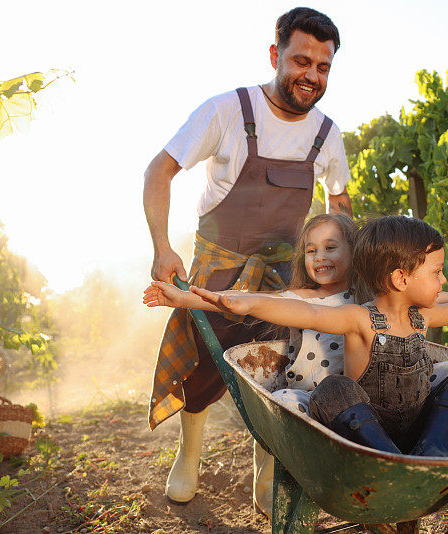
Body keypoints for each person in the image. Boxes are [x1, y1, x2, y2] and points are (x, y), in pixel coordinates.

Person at [142, 7, 352, 504]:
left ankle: (266, 469)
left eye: (323, 67)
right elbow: (158, 171)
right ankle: (188, 456)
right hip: (219, 269)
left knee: (283, 370)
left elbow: (338, 205)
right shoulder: (228, 111)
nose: (312, 76)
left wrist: (336, 270)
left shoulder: (327, 134)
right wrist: (162, 246)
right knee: (204, 368)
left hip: (285, 278)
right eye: (302, 61)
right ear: (276, 55)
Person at [180, 216, 448, 457]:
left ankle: (434, 452)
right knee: (333, 391)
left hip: (417, 423)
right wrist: (245, 304)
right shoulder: (360, 318)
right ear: (401, 279)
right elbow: (306, 311)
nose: (443, 281)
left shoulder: (421, 317)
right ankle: (389, 458)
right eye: (437, 272)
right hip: (368, 436)